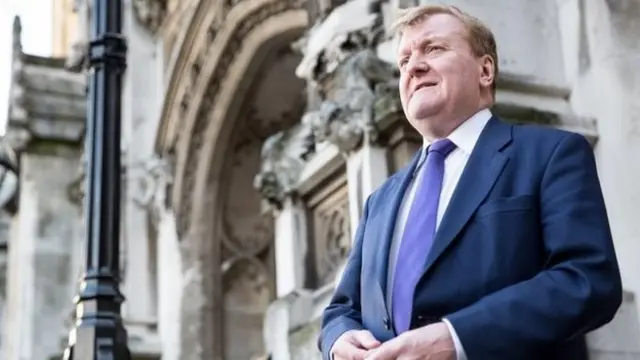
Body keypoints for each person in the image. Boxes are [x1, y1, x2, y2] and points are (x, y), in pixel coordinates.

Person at [317, 4, 622, 360]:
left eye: (433, 48)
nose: (413, 66)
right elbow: (341, 310)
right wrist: (340, 341)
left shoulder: (550, 154)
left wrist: (455, 338)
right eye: (403, 60)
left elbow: (587, 280)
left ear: (485, 69)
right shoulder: (379, 202)